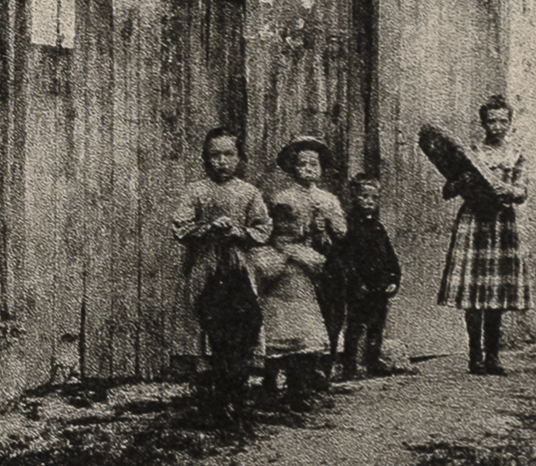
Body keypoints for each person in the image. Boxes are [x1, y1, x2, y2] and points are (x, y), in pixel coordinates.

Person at [168, 127, 271, 420]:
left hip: (239, 268)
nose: (222, 161)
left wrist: (239, 231)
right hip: (206, 268)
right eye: (215, 155)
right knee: (210, 329)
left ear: (239, 158)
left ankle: (236, 395)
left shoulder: (249, 192)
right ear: (205, 159)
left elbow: (263, 228)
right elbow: (180, 226)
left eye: (228, 154)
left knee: (242, 329)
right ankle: (211, 398)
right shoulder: (196, 191)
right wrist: (208, 228)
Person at [438, 95, 529, 376]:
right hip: (474, 222)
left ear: (510, 123)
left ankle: (493, 356)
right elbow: (447, 191)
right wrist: (460, 181)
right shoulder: (470, 153)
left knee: (496, 293)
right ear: (483, 123)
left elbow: (522, 191)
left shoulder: (516, 155)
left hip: (501, 223)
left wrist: (508, 190)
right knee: (473, 292)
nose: (497, 126)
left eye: (503, 120)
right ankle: (474, 356)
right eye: (492, 120)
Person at [260, 136, 345, 407]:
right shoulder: (283, 198)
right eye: (302, 163)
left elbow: (342, 232)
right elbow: (276, 235)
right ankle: (282, 377)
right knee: (293, 318)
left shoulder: (328, 199)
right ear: (292, 168)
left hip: (324, 262)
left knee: (328, 314)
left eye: (314, 164)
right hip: (293, 263)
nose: (308, 168)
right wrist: (296, 251)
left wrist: (328, 222)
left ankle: (317, 372)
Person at [333, 172, 406, 379]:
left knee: (377, 325)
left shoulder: (377, 227)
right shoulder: (349, 227)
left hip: (379, 285)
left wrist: (394, 279)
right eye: (364, 196)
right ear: (353, 197)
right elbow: (346, 259)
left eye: (374, 198)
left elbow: (390, 256)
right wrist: (356, 283)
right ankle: (349, 366)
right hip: (360, 286)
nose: (369, 202)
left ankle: (373, 362)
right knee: (355, 326)